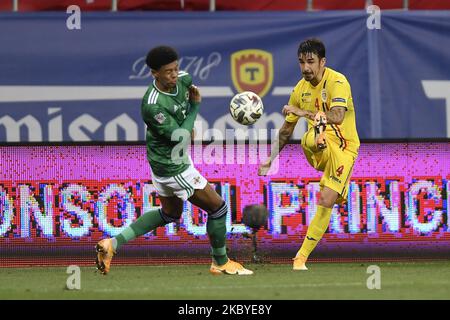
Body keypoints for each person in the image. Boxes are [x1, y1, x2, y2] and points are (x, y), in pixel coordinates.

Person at [96, 46, 252, 276]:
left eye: (176, 68)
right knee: (218, 208)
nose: (174, 74)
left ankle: (113, 244)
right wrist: (195, 107)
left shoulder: (183, 79)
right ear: (154, 73)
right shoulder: (152, 105)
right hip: (173, 165)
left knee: (169, 213)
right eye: (168, 71)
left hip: (162, 163)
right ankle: (220, 262)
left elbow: (185, 105)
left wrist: (188, 115)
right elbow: (180, 135)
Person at [258, 38, 360, 270]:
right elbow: (285, 131)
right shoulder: (300, 90)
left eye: (311, 62)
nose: (306, 68)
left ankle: (300, 258)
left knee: (326, 200)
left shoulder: (337, 81)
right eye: (301, 62)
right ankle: (317, 141)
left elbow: (337, 116)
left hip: (344, 148)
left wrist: (302, 112)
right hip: (317, 148)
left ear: (322, 62)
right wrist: (270, 159)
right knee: (309, 136)